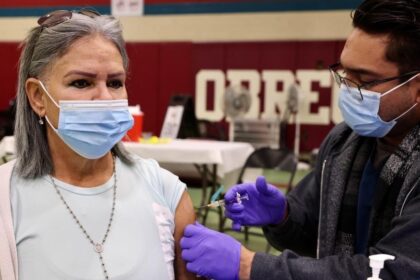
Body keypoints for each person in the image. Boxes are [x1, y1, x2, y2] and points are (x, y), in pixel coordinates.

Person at [180, 0, 420, 279]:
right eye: (344, 73)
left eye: (363, 80)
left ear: (415, 87)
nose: (348, 88)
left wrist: (250, 266)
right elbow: (314, 237)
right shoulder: (344, 143)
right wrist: (282, 216)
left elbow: (395, 271)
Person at [0, 9, 197, 280]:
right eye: (82, 82)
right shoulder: (6, 199)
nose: (104, 97)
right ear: (37, 97)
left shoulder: (168, 194)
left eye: (115, 83)